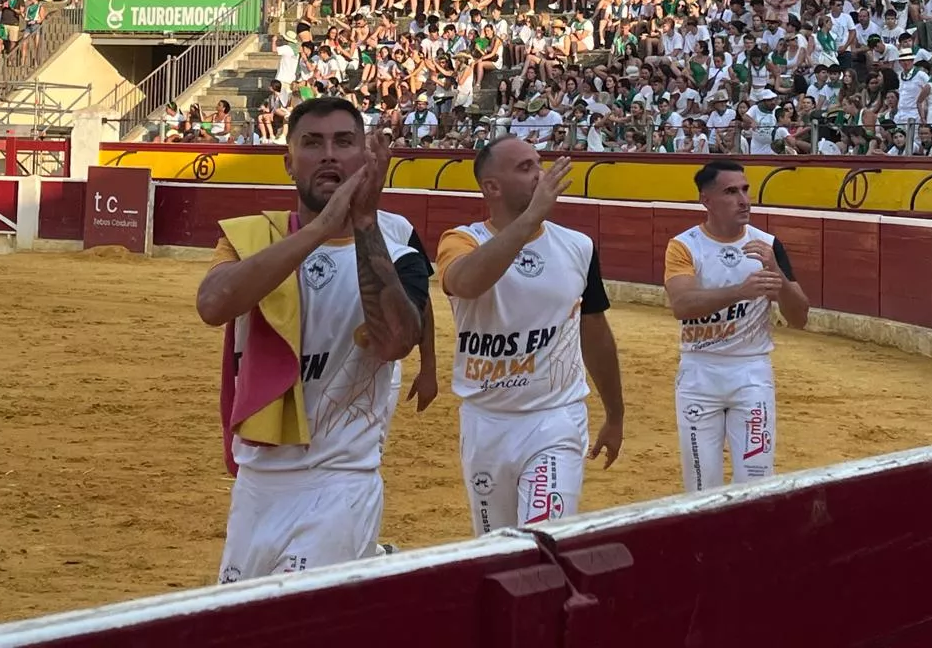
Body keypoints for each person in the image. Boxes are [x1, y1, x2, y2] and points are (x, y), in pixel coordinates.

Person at [195, 96, 431, 582]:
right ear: (288, 162)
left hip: (340, 482)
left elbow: (395, 342)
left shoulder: (401, 255)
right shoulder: (249, 238)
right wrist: (320, 228)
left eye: (343, 142)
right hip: (257, 482)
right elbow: (213, 305)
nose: (328, 155)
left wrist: (362, 222)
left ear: (365, 158)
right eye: (312, 143)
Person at [438, 136, 624, 534]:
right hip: (485, 421)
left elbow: (595, 331)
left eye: (538, 164)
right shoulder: (461, 241)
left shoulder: (578, 246)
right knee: (496, 548)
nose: (540, 174)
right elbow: (466, 283)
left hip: (555, 419)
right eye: (525, 168)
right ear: (492, 187)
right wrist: (530, 219)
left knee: (542, 540)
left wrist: (615, 414)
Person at [664, 159, 809, 491]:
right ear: (707, 200)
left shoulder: (768, 245)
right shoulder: (685, 245)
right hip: (700, 371)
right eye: (731, 192)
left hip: (751, 372)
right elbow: (682, 305)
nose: (743, 200)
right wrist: (740, 292)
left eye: (745, 190)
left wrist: (777, 275)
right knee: (701, 486)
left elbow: (799, 318)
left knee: (756, 484)